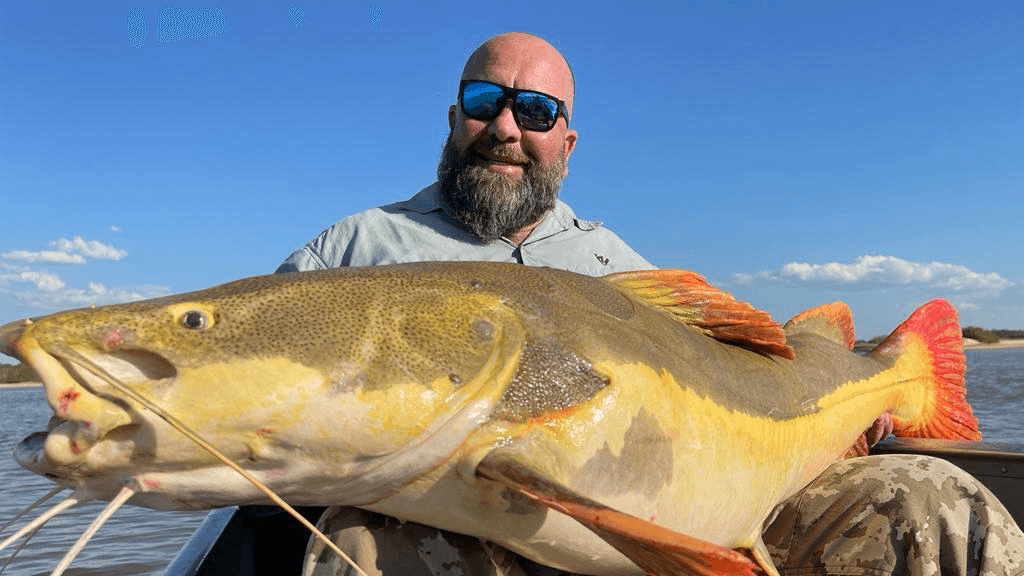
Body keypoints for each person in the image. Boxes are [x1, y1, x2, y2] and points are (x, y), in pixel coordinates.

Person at [277, 32, 1024, 576]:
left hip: (661, 520)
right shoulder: (353, 248)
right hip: (456, 530)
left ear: (566, 144)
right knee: (361, 545)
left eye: (535, 111)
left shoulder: (617, 266)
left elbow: (743, 365)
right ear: (453, 118)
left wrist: (867, 401)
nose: (507, 127)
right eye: (485, 101)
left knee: (940, 499)